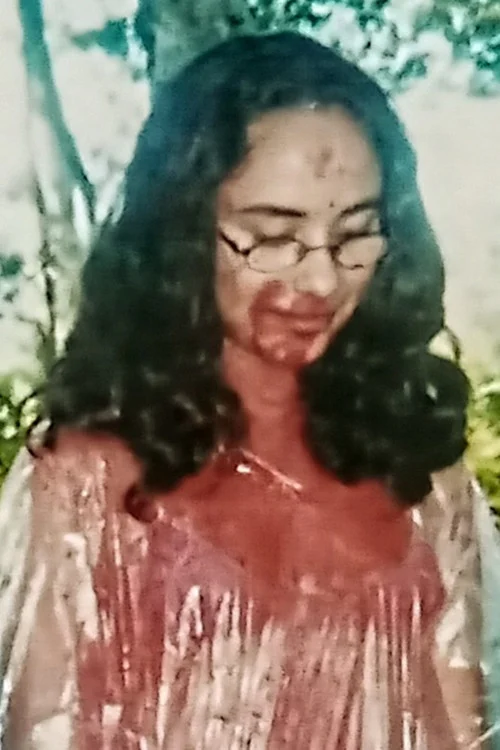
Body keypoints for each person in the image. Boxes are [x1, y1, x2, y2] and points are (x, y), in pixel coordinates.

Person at [0, 30, 499, 750]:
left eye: (355, 234)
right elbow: (44, 731)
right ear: (182, 233)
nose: (321, 279)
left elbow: (460, 729)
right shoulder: (85, 484)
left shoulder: (423, 478)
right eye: (272, 238)